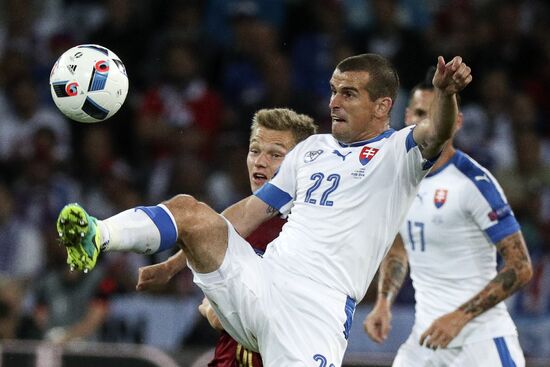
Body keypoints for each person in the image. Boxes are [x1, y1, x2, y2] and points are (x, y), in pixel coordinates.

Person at [57, 53, 472, 366]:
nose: (334, 102)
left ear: (382, 106)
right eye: (332, 90)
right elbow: (251, 212)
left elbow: (435, 132)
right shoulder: (312, 149)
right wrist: (174, 263)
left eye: (348, 93)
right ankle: (99, 234)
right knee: (188, 209)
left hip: (316, 310)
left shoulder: (397, 153)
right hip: (263, 279)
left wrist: (445, 95)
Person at [363, 69, 532, 366]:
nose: (425, 121)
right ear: (405, 118)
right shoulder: (397, 180)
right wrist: (384, 302)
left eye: (435, 112)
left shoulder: (473, 183)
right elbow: (400, 247)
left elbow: (521, 268)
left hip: (480, 340)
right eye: (417, 112)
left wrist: (458, 317)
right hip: (425, 336)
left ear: (456, 122)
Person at [137, 107, 318, 366]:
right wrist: (170, 267)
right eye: (255, 150)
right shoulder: (243, 216)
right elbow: (213, 233)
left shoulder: (310, 228)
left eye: (276, 154)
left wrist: (223, 310)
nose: (260, 161)